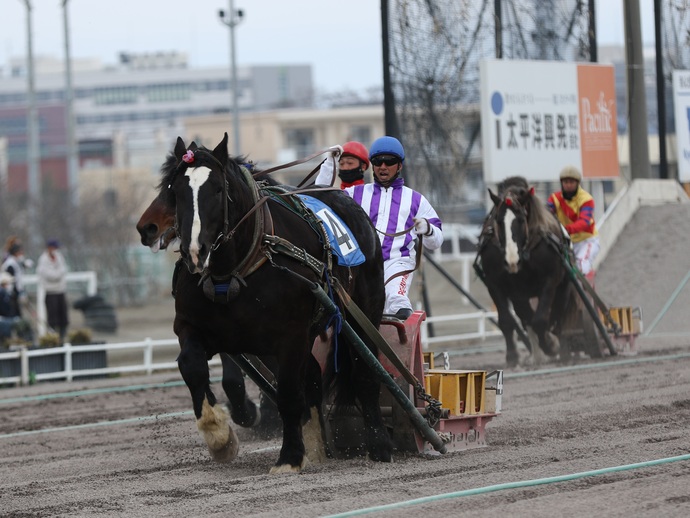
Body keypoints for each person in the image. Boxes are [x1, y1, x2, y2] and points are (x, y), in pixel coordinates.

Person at [317, 136, 444, 320]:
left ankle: (400, 343)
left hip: (397, 263)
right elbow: (320, 196)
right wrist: (329, 163)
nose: (383, 166)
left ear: (399, 165)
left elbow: (436, 242)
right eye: (378, 161)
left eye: (389, 161)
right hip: (361, 265)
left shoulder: (416, 200)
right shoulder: (355, 193)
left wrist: (428, 229)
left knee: (397, 301)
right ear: (373, 165)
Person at [547, 166, 600, 280]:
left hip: (586, 241)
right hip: (567, 242)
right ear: (562, 183)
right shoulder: (554, 199)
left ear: (577, 183)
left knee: (582, 265)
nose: (569, 185)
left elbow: (584, 222)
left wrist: (564, 229)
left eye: (572, 182)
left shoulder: (586, 199)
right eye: (566, 182)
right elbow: (546, 214)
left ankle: (586, 295)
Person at [36, 239, 70, 343]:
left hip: (61, 291)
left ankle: (62, 337)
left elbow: (64, 269)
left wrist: (59, 273)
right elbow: (50, 275)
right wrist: (58, 274)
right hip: (50, 292)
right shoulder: (43, 260)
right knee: (53, 317)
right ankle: (53, 338)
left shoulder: (59, 257)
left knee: (63, 316)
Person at [2, 238, 31, 318]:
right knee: (14, 317)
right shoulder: (10, 264)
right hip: (11, 296)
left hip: (17, 293)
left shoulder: (17, 262)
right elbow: (11, 281)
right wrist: (18, 293)